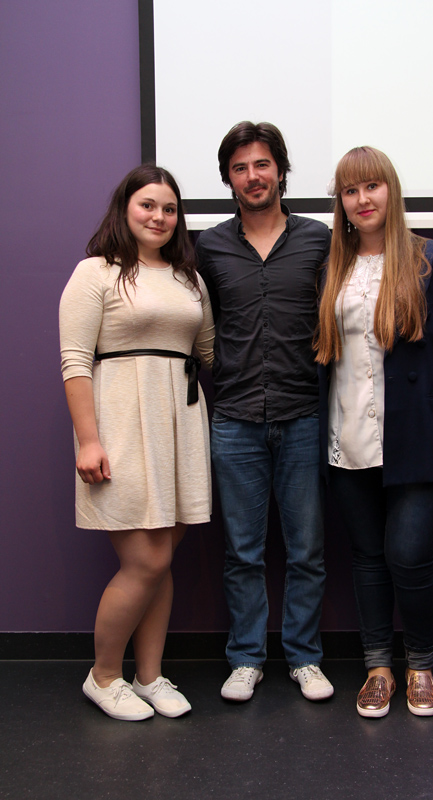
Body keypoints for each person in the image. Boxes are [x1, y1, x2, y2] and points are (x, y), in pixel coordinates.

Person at [315, 146, 433, 717]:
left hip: (423, 436)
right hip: (348, 436)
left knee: (408, 555)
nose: (362, 199)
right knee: (368, 557)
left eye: (372, 186)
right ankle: (377, 668)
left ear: (391, 190)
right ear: (341, 203)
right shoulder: (332, 268)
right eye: (350, 190)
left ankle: (420, 666)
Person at [59, 164, 214, 721]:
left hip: (181, 426)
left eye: (170, 209)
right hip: (121, 425)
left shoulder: (189, 279)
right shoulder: (95, 272)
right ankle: (103, 676)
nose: (159, 216)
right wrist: (88, 440)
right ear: (124, 208)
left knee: (162, 558)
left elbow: (209, 351)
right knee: (145, 560)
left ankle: (149, 675)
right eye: (148, 205)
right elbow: (75, 361)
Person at [196, 122, 334, 702]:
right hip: (234, 418)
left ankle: (304, 658)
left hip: (303, 414)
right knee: (242, 552)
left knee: (307, 550)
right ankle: (246, 658)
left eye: (262, 164)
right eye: (240, 168)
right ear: (228, 178)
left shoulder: (319, 239)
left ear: (280, 170)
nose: (252, 177)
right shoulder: (209, 247)